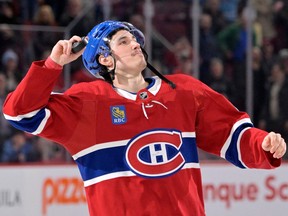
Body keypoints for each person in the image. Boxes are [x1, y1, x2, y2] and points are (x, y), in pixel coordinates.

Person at [2, 20, 287, 216]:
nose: (137, 45)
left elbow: (234, 135)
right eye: (124, 41)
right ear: (104, 58)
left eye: (136, 40)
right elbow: (19, 112)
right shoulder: (87, 103)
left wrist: (262, 144)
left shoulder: (184, 91)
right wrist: (53, 65)